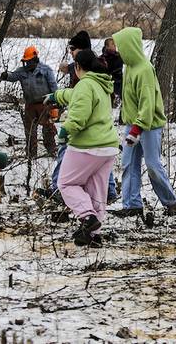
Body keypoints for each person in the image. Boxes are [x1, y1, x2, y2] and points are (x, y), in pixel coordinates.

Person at [45, 49, 120, 247]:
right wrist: (56, 95)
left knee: (66, 184)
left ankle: (87, 218)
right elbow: (75, 95)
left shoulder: (85, 85)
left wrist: (64, 133)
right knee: (97, 189)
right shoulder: (100, 83)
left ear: (77, 67)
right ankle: (94, 234)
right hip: (108, 147)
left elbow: (79, 116)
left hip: (88, 145)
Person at [111, 27, 176, 217]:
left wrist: (136, 128)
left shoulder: (144, 69)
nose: (118, 51)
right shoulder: (129, 68)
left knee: (152, 165)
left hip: (148, 126)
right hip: (132, 125)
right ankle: (132, 205)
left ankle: (171, 202)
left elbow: (147, 104)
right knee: (128, 164)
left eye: (120, 47)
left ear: (129, 46)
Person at [41, 32, 117, 203]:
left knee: (66, 154)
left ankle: (59, 189)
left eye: (73, 49)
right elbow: (76, 94)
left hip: (88, 124)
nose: (70, 52)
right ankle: (106, 192)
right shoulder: (87, 66)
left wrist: (66, 129)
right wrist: (57, 96)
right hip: (95, 125)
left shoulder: (88, 71)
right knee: (101, 159)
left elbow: (81, 97)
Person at [1, 46, 58, 158]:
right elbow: (13, 76)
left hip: (45, 104)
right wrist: (6, 76)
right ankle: (31, 154)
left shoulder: (46, 70)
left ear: (35, 59)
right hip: (30, 105)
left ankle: (52, 150)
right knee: (30, 130)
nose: (28, 64)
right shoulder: (22, 72)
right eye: (26, 61)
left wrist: (56, 102)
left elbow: (53, 87)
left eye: (30, 61)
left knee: (48, 129)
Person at [101, 37, 123, 106]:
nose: (115, 45)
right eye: (113, 44)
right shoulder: (102, 58)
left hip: (120, 83)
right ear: (107, 46)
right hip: (108, 83)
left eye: (115, 44)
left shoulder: (119, 56)